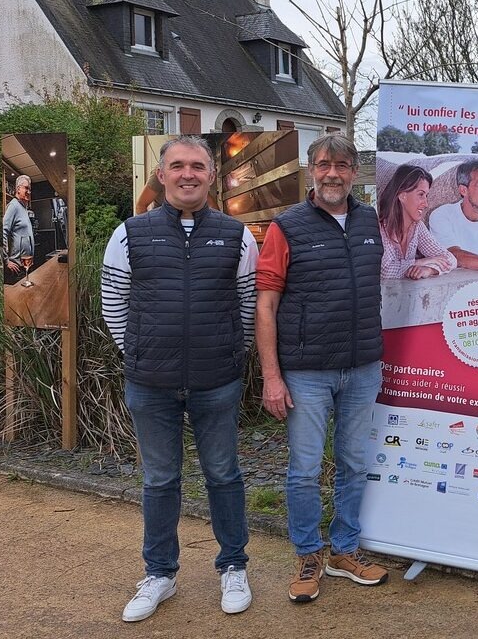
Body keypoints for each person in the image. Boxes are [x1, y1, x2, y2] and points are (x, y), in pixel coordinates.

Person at [100, 136, 257, 622]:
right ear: (162, 175)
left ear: (211, 176)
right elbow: (113, 302)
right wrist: (143, 353)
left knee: (223, 475)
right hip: (151, 383)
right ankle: (160, 574)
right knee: (160, 479)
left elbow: (248, 305)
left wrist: (233, 353)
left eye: (197, 166)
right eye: (177, 166)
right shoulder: (130, 233)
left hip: (217, 381)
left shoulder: (237, 236)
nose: (187, 174)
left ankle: (233, 566)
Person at [255, 133, 389, 604]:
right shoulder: (287, 226)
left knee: (355, 463)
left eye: (343, 165)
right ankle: (309, 553)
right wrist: (272, 376)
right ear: (310, 170)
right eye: (324, 164)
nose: (334, 173)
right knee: (305, 469)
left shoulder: (371, 221)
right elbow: (266, 305)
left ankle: (345, 550)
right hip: (307, 372)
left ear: (355, 172)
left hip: (363, 367)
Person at [378, 164, 456, 280]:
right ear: (402, 196)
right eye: (421, 195)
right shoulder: (380, 227)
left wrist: (430, 269)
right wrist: (423, 261)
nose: (426, 204)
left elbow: (450, 259)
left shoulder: (417, 227)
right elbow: (386, 270)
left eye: (426, 195)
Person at [3, 174, 34, 285]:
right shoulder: (13, 206)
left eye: (29, 189)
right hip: (16, 268)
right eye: (26, 188)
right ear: (18, 189)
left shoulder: (23, 207)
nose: (29, 191)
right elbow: (3, 232)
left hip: (25, 266)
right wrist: (6, 260)